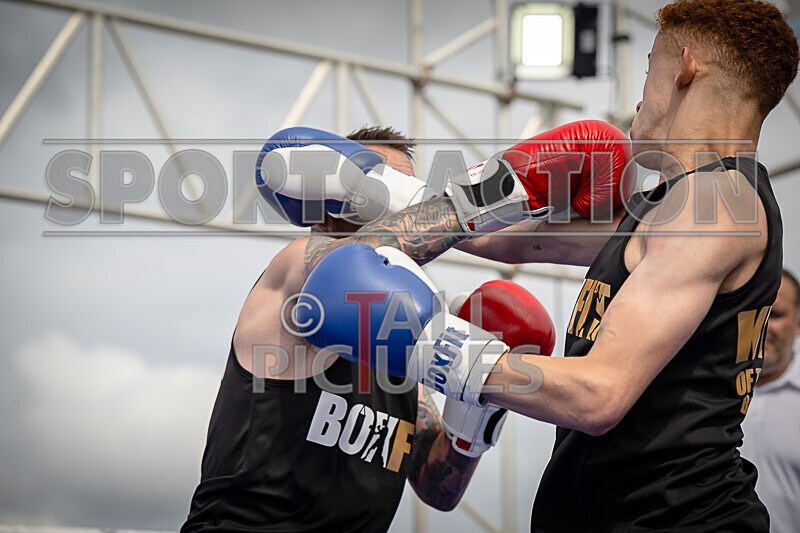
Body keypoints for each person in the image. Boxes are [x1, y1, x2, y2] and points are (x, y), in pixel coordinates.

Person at [290, 1, 799, 531]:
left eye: (649, 69)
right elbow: (512, 243)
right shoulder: (677, 207)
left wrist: (434, 349)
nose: (639, 96)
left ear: (686, 67)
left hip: (677, 518)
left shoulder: (713, 204)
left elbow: (599, 394)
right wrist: (372, 191)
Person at [180, 126, 553, 533]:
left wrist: (476, 415)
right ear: (327, 196)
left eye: (405, 194)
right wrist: (490, 194)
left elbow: (438, 489)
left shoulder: (405, 345)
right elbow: (347, 264)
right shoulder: (296, 271)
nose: (402, 209)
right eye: (381, 189)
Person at [741, 269, 800, 533]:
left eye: (775, 315)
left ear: (798, 324)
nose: (763, 326)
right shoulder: (701, 394)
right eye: (755, 313)